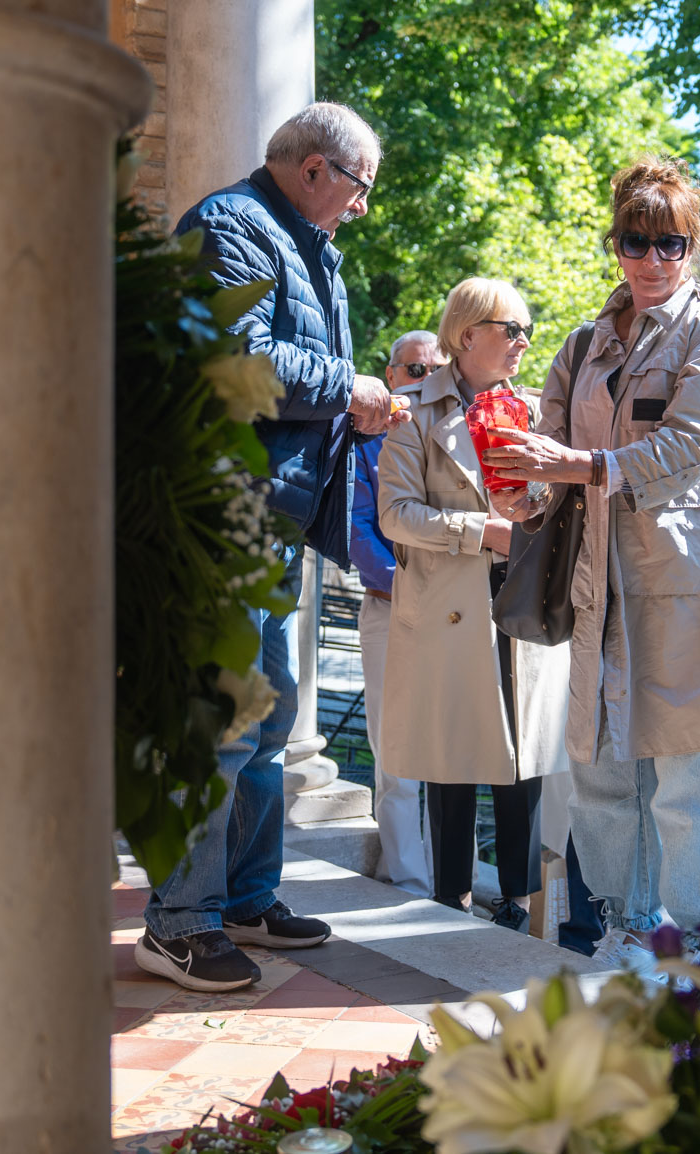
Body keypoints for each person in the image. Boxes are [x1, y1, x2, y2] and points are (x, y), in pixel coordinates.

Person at [135, 102, 411, 992]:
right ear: (315, 169)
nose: (362, 207)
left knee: (266, 724)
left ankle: (245, 899)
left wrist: (354, 411)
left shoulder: (304, 244)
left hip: (270, 520)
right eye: (360, 186)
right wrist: (349, 386)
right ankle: (178, 923)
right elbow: (235, 363)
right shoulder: (230, 226)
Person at [485, 157, 700, 968]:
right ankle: (631, 934)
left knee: (691, 783)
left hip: (689, 587)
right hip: (596, 586)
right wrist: (521, 493)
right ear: (615, 245)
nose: (650, 260)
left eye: (669, 243)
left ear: (691, 247)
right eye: (634, 242)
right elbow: (548, 456)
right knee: (603, 779)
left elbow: (690, 445)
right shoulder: (583, 343)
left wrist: (577, 467)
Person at [377, 278, 572, 931]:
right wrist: (480, 531)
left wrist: (536, 505)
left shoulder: (536, 411)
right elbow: (395, 515)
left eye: (527, 331)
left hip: (523, 601)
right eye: (511, 329)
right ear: (467, 335)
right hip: (449, 607)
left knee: (524, 759)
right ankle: (450, 897)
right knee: (451, 759)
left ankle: (517, 903)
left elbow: (559, 505)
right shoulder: (412, 412)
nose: (524, 342)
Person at [351, 330, 449, 897]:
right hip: (390, 611)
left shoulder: (460, 434)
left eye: (434, 369)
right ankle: (410, 883)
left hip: (454, 617)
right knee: (394, 752)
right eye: (414, 370)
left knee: (450, 751)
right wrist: (411, 585)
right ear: (390, 376)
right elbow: (358, 530)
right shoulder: (362, 441)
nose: (424, 380)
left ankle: (449, 879)